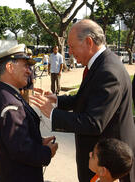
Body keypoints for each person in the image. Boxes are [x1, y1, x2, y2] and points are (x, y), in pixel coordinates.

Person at [30, 19, 135, 182]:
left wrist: (52, 114)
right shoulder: (101, 65)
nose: (70, 52)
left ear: (88, 42)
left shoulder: (108, 71)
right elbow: (84, 98)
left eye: (71, 46)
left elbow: (94, 122)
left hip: (108, 164)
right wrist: (56, 99)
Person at [0, 44, 58, 182]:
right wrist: (47, 152)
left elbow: (15, 139)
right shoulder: (9, 102)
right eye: (25, 66)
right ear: (10, 67)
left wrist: (39, 141)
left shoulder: (7, 93)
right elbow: (20, 149)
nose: (29, 71)